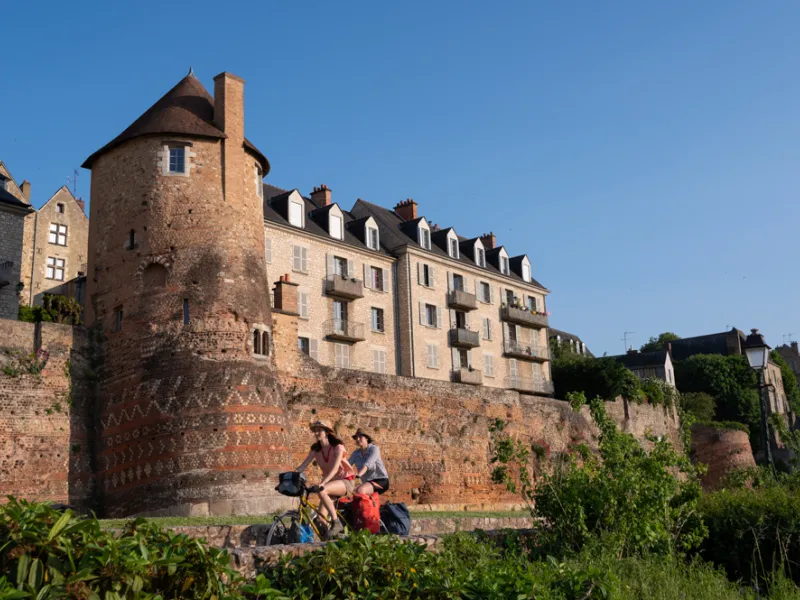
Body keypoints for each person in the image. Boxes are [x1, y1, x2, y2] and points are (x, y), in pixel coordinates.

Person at [294, 420, 355, 538]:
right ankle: (327, 542)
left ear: (327, 432)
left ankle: (336, 523)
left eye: (319, 430)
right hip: (330, 484)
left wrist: (323, 482)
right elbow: (303, 465)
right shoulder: (316, 450)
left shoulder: (338, 447)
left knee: (322, 490)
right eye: (315, 430)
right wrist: (291, 475)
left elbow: (335, 468)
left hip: (345, 481)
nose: (316, 433)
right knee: (319, 520)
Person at [349, 428, 390, 496]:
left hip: (381, 480)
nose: (358, 439)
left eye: (360, 437)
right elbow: (347, 464)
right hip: (367, 482)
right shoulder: (356, 453)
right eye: (356, 437)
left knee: (360, 490)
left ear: (367, 438)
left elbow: (367, 465)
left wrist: (358, 476)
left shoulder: (374, 449)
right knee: (353, 492)